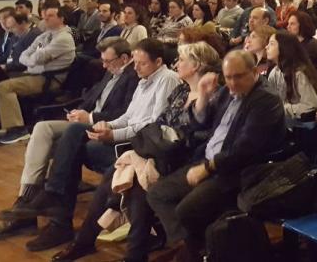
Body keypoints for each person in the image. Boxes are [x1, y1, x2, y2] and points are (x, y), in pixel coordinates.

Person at [50, 41, 222, 262]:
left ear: (197, 65)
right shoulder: (181, 90)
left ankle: (126, 252)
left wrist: (156, 139)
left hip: (183, 159)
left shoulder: (212, 95)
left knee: (135, 183)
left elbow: (197, 135)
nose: (177, 63)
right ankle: (86, 242)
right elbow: (158, 122)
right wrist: (116, 129)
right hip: (160, 150)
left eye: (182, 59)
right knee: (119, 173)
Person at [9, 39, 179, 251]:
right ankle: (56, 211)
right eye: (135, 62)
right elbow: (128, 116)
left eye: (141, 63)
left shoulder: (167, 79)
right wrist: (106, 125)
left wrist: (113, 133)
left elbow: (152, 126)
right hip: (126, 137)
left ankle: (58, 215)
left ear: (159, 61)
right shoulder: (145, 79)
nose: (135, 68)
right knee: (71, 140)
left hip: (139, 146)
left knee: (74, 147)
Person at [0, 38, 137, 242]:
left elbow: (126, 113)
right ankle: (26, 199)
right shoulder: (112, 71)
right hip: (85, 121)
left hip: (103, 126)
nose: (104, 65)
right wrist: (78, 110)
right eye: (103, 60)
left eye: (108, 61)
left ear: (124, 58)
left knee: (53, 136)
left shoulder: (133, 76)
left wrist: (89, 117)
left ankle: (31, 203)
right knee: (42, 131)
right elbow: (91, 98)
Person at [147, 50, 286, 262]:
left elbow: (245, 150)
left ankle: (195, 251)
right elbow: (198, 124)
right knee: (157, 193)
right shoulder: (226, 93)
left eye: (238, 76)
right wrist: (203, 95)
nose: (232, 82)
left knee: (186, 210)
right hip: (207, 160)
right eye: (227, 77)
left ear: (255, 72)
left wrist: (208, 167)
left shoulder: (266, 100)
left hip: (235, 172)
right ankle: (197, 249)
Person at [0, 6, 76, 144]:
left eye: (50, 15)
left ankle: (17, 128)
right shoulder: (45, 35)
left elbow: (36, 59)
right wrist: (33, 60)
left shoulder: (64, 38)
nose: (45, 18)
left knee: (4, 87)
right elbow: (24, 56)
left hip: (49, 79)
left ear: (61, 18)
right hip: (36, 74)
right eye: (45, 15)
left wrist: (33, 60)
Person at [266, 31, 317, 121]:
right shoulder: (275, 72)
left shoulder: (299, 74)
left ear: (284, 47)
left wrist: (283, 108)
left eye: (272, 44)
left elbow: (310, 105)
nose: (266, 47)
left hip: (302, 125)